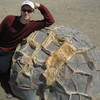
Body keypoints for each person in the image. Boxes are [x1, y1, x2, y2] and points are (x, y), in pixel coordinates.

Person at [0, 0, 55, 99]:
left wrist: (39, 6)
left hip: (9, 52)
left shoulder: (32, 25)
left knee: (4, 69)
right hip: (1, 47)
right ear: (21, 11)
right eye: (24, 10)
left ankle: (9, 89)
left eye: (29, 11)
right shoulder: (9, 19)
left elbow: (50, 21)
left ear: (33, 12)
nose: (26, 13)